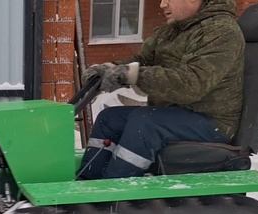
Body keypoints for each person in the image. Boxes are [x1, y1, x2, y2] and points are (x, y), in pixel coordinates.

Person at [78, 0, 244, 179]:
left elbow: (191, 84)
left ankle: (114, 190)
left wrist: (133, 75)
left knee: (145, 122)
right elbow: (142, 60)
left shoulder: (222, 32)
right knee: (109, 118)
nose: (162, 5)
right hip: (173, 114)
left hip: (211, 122)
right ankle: (87, 182)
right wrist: (109, 68)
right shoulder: (172, 31)